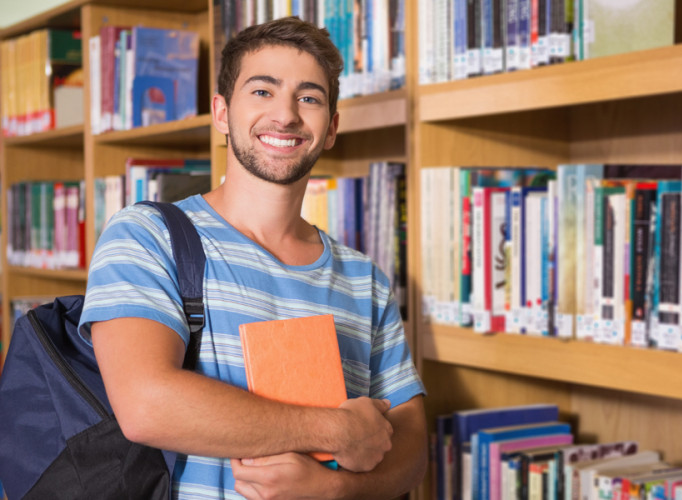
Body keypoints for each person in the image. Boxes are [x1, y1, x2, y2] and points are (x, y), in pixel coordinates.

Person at [79, 16, 427, 499]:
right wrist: (336, 431)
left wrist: (333, 489)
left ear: (331, 128)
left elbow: (412, 444)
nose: (285, 115)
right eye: (262, 92)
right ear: (222, 113)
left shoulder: (363, 278)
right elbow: (145, 404)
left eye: (309, 97)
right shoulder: (147, 235)